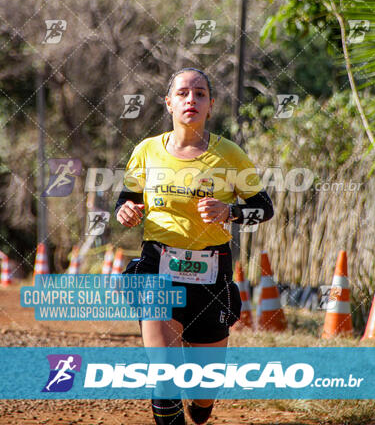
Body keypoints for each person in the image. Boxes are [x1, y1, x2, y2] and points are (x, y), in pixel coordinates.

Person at [115, 67, 274, 425]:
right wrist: (125, 211)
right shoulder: (147, 151)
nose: (192, 100)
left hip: (212, 273)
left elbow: (264, 208)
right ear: (169, 103)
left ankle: (201, 406)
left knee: (203, 397)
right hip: (158, 268)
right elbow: (126, 198)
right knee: (165, 375)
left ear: (211, 105)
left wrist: (229, 211)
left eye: (200, 94)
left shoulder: (230, 155)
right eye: (183, 93)